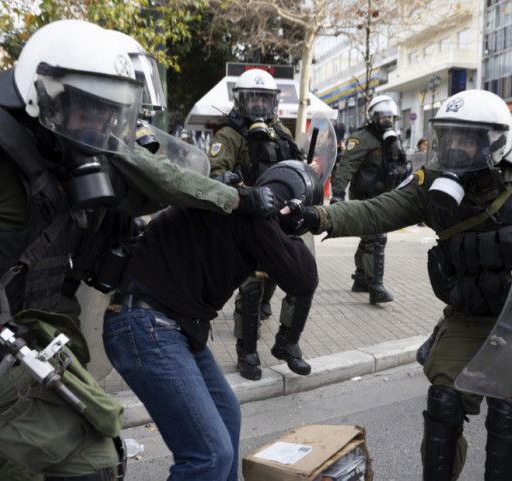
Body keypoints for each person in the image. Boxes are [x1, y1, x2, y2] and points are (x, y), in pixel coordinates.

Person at [0, 20, 275, 481]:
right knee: (96, 464)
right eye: (87, 110)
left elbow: (158, 185)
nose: (100, 125)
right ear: (46, 96)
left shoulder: (66, 160)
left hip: (7, 353)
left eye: (109, 113)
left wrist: (232, 194)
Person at [284, 89, 512, 481]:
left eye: (467, 138)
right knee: (443, 404)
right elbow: (377, 211)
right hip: (470, 314)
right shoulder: (431, 184)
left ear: (494, 140)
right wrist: (317, 216)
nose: (456, 147)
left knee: (510, 415)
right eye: (449, 136)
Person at [103, 160, 319, 480]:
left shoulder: (232, 197)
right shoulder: (254, 216)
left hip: (169, 323)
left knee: (225, 413)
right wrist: (290, 230)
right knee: (208, 455)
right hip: (147, 324)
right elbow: (303, 279)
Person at [208, 68, 313, 380]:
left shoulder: (281, 132)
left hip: (285, 216)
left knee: (302, 276)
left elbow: (297, 169)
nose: (257, 104)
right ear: (240, 100)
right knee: (251, 289)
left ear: (273, 101)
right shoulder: (229, 134)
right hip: (250, 219)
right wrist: (228, 181)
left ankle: (287, 343)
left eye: (263, 98)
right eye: (251, 97)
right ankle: (247, 352)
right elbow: (215, 173)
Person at [329, 95, 410, 304]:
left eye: (390, 116)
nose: (387, 120)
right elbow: (347, 165)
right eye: (382, 116)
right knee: (377, 238)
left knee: (368, 238)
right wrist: (338, 194)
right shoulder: (362, 138)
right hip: (366, 195)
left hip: (386, 194)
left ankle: (362, 279)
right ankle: (376, 287)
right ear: (373, 116)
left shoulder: (392, 138)